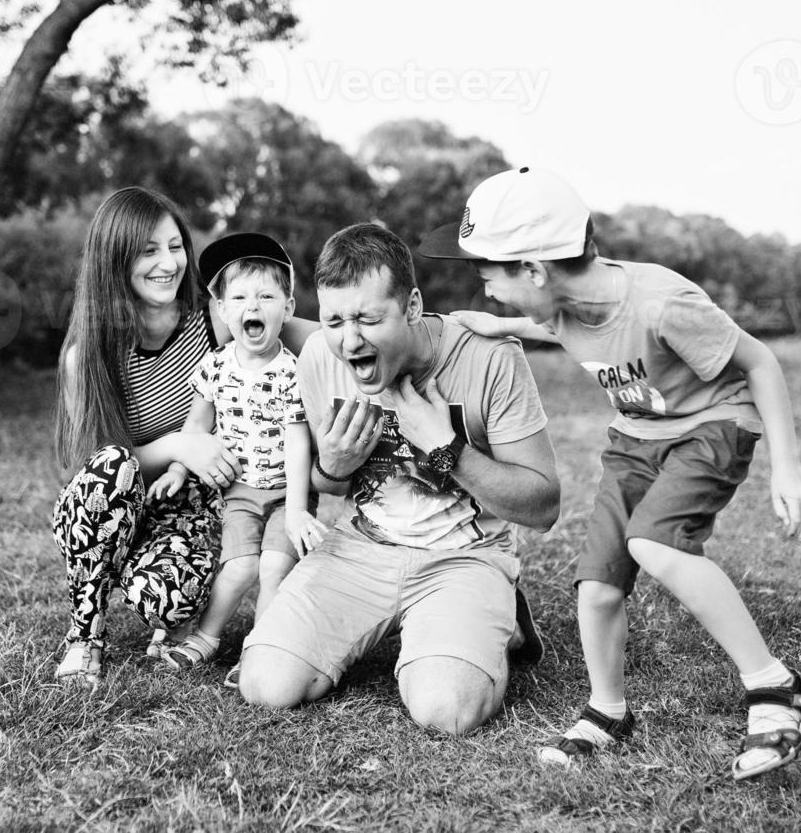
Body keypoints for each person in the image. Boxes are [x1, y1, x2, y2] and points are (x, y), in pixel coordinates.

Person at [420, 165, 801, 779]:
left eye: (490, 281)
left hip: (712, 424)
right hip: (637, 439)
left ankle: (774, 686)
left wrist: (787, 466)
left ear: (534, 270)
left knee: (653, 544)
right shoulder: (559, 302)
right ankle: (608, 712)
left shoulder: (663, 303)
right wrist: (500, 326)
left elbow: (759, 361)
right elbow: (549, 322)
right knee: (599, 583)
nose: (489, 295)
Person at [239, 222, 561, 736]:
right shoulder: (322, 358)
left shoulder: (490, 359)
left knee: (446, 711)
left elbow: (543, 506)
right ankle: (425, 631)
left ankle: (491, 619)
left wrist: (449, 450)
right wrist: (333, 468)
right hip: (360, 548)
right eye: (335, 320)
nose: (350, 340)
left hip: (464, 558)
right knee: (265, 686)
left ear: (412, 306)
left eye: (368, 319)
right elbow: (329, 484)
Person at [50, 188, 315, 688]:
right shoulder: (86, 355)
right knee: (110, 467)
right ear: (116, 260)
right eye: (149, 251)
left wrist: (426, 331)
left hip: (183, 508)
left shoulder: (216, 321)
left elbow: (332, 335)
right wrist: (179, 446)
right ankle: (85, 637)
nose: (168, 264)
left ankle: (169, 610)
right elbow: (88, 473)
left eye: (175, 247)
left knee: (168, 600)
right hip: (113, 513)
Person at [150, 233, 326, 687]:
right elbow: (197, 427)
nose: (254, 305)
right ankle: (206, 638)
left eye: (267, 296)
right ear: (224, 310)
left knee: (274, 566)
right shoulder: (214, 366)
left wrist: (300, 508)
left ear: (287, 309)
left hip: (288, 492)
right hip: (240, 494)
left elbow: (297, 441)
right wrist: (175, 467)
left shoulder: (292, 370)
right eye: (241, 297)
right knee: (241, 567)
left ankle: (259, 649)